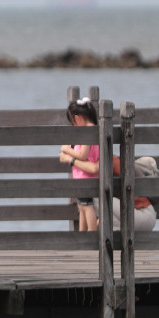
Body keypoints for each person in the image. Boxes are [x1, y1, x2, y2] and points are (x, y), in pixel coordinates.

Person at [59, 114, 157, 233]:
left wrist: (71, 159)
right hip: (137, 216)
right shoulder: (99, 160)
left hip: (142, 215)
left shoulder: (110, 160)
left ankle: (88, 238)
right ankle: (86, 239)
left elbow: (94, 168)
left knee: (94, 194)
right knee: (97, 217)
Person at [61, 97, 99, 231]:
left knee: (87, 207)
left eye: (73, 123)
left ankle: (91, 235)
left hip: (85, 177)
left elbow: (83, 155)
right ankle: (83, 235)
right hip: (84, 176)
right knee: (82, 206)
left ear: (78, 118)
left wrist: (67, 150)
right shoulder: (93, 129)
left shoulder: (86, 132)